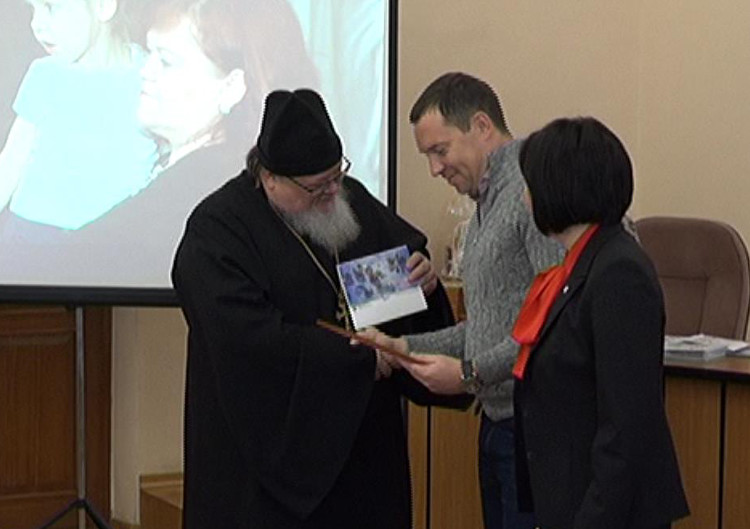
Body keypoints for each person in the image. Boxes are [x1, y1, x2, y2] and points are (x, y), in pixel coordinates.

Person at [172, 88, 460, 529]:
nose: (331, 193)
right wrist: (358, 359)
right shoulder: (218, 232)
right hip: (263, 472)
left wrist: (423, 282)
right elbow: (247, 343)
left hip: (362, 458)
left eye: (336, 177)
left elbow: (395, 291)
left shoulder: (349, 202)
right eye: (316, 187)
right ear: (270, 178)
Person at [360, 72, 565, 529]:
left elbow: (553, 325)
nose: (435, 169)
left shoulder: (533, 195)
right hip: (497, 423)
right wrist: (401, 347)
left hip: (532, 432)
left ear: (481, 126)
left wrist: (469, 373)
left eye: (440, 150)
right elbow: (486, 330)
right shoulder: (487, 202)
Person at [512, 117, 689, 529]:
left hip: (608, 512)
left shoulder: (618, 273)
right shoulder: (582, 265)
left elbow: (627, 423)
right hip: (571, 499)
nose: (525, 197)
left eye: (531, 184)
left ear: (560, 187)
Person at [0, 0, 158, 230]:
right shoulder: (44, 74)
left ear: (103, 6)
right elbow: (11, 162)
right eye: (33, 9)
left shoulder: (152, 78)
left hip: (110, 239)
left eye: (50, 7)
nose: (36, 24)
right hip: (28, 231)